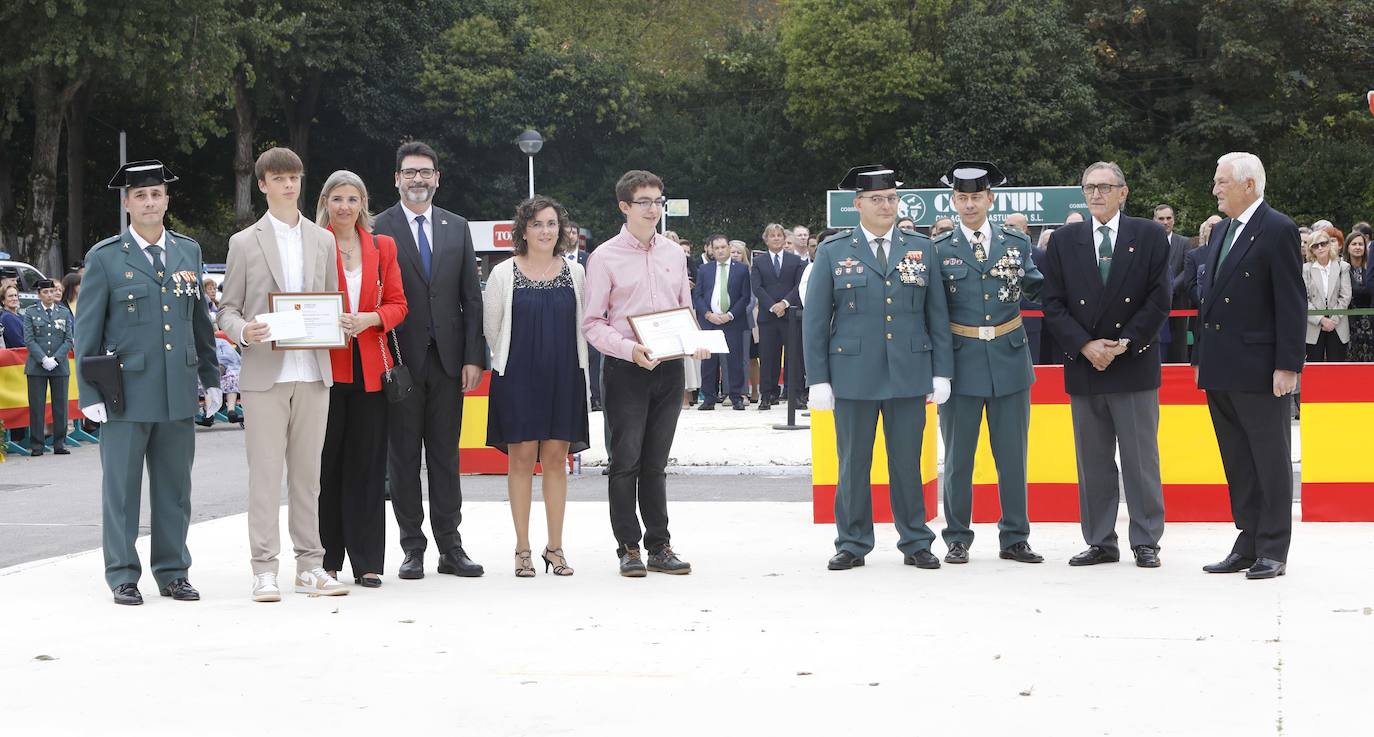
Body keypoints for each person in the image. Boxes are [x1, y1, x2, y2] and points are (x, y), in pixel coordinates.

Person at [75, 159, 221, 605]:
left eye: (156, 194)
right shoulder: (104, 257)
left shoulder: (187, 252)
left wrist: (211, 379)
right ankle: (122, 574)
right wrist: (89, 392)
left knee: (175, 488)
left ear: (166, 200)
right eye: (140, 195)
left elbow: (199, 321)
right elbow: (88, 330)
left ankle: (174, 571)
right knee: (121, 489)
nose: (149, 202)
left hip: (177, 390)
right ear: (127, 203)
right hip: (124, 393)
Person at [804, 164, 953, 571]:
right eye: (876, 199)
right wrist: (818, 379)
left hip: (909, 370)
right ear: (858, 205)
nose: (886, 205)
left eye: (891, 198)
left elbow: (936, 314)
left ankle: (916, 541)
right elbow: (816, 320)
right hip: (853, 374)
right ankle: (852, 542)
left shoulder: (922, 248)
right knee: (853, 463)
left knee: (907, 462)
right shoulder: (834, 250)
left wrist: (942, 371)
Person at [217, 147, 346, 601]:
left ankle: (310, 565)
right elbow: (227, 308)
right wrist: (243, 331)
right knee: (266, 475)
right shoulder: (244, 242)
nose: (289, 184)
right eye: (279, 177)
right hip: (264, 373)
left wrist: (339, 321)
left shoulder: (323, 240)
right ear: (263, 185)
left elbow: (330, 300)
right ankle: (264, 568)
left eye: (295, 176)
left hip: (313, 370)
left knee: (309, 476)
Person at [1041, 162, 1171, 568]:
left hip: (1131, 363)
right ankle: (1100, 540)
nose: (1095, 194)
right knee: (1093, 462)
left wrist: (1124, 342)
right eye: (1089, 187)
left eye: (1104, 187)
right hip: (1085, 365)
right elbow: (1053, 302)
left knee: (1140, 459)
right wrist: (1084, 345)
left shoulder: (1149, 235)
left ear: (1123, 192)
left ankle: (1146, 539)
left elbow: (1159, 298)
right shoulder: (1064, 240)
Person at [371, 141, 487, 581]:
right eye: (409, 172)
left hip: (450, 362)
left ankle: (451, 547)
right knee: (402, 458)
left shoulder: (456, 226)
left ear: (437, 178)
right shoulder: (378, 227)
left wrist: (474, 356)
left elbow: (469, 298)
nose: (417, 179)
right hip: (399, 362)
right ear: (396, 178)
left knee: (445, 457)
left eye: (425, 172)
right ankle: (412, 547)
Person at [582, 169, 707, 577]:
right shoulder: (603, 257)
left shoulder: (674, 253)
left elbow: (684, 310)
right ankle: (628, 547)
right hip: (626, 369)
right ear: (624, 206)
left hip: (668, 368)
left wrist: (694, 342)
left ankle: (659, 544)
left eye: (659, 201)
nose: (654, 209)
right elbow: (592, 323)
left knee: (656, 462)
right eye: (645, 202)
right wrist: (629, 350)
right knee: (625, 462)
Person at [1195, 152, 1304, 580]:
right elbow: (1209, 299)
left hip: (1261, 368)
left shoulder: (1277, 228)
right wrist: (1199, 357)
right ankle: (1248, 539)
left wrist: (1288, 365)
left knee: (1270, 458)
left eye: (1222, 182)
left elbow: (1291, 303)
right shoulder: (1222, 229)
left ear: (1249, 185)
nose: (1216, 189)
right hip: (1221, 366)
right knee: (1238, 459)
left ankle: (1274, 547)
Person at [931, 162, 1045, 565]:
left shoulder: (1016, 243)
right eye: (962, 198)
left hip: (1009, 359)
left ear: (989, 199)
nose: (969, 204)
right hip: (961, 364)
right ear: (953, 201)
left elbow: (1037, 287)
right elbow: (932, 312)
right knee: (959, 458)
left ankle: (1015, 537)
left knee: (1013, 456)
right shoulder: (939, 249)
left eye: (976, 197)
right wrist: (936, 370)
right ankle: (957, 537)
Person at [484, 195, 588, 577]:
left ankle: (555, 548)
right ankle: (523, 549)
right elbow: (491, 329)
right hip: (518, 378)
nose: (545, 231)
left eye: (551, 224)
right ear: (523, 230)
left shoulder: (575, 273)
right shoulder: (503, 273)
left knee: (557, 459)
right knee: (522, 459)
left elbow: (584, 326)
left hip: (565, 375)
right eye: (537, 224)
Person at [316, 170, 409, 588]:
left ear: (363, 204)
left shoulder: (382, 246)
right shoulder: (314, 245)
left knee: (369, 468)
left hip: (372, 371)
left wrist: (371, 318)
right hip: (326, 372)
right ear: (325, 203)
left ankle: (368, 561)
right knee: (327, 468)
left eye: (353, 199)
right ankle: (328, 558)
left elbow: (398, 305)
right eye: (337, 198)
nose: (345, 207)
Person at [693, 234, 750, 410]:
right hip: (710, 321)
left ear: (728, 247)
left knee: (734, 360)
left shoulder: (741, 269)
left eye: (723, 247)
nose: (719, 250)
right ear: (711, 250)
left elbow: (745, 296)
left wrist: (730, 315)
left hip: (732, 321)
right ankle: (709, 398)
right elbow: (698, 295)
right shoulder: (704, 269)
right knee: (709, 361)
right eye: (716, 248)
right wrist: (708, 314)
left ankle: (736, 396)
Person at [750, 222, 804, 410]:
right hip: (768, 317)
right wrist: (772, 306)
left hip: (790, 316)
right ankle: (767, 394)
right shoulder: (758, 262)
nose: (776, 239)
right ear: (766, 239)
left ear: (784, 239)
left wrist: (784, 303)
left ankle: (795, 395)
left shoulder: (796, 261)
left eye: (779, 236)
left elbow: (799, 286)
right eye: (772, 236)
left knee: (794, 357)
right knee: (768, 357)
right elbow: (757, 287)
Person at [22, 278, 75, 455]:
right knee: (37, 405)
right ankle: (37, 444)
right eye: (45, 292)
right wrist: (43, 358)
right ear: (39, 294)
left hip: (59, 365)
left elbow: (69, 339)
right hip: (37, 366)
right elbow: (29, 339)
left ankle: (60, 442)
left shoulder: (63, 311)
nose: (50, 295)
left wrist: (57, 358)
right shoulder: (30, 312)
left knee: (60, 405)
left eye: (52, 291)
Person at [1302, 229, 1351, 362]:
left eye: (1323, 243)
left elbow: (1345, 297)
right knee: (1314, 370)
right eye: (1315, 245)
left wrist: (1332, 321)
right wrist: (1321, 320)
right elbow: (1303, 299)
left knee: (1337, 371)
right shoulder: (1305, 269)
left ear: (1329, 245)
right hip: (1313, 325)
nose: (1320, 247)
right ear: (1311, 250)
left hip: (1338, 325)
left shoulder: (1343, 267)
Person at [1154, 203, 1191, 363]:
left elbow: (1187, 270)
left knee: (1178, 345)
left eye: (1169, 218)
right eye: (1161, 218)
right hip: (1155, 305)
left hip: (1178, 303)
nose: (1165, 222)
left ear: (1174, 220)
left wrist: (1169, 288)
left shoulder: (1184, 242)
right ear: (1154, 220)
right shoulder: (1149, 244)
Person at [730, 239, 761, 402]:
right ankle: (735, 391)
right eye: (732, 251)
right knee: (733, 357)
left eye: (738, 252)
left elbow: (753, 298)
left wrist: (738, 313)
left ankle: (754, 390)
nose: (735, 255)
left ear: (744, 255)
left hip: (748, 321)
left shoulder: (750, 272)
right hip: (729, 321)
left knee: (751, 357)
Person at [1346, 230, 1373, 362]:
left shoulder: (1370, 270)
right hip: (1349, 323)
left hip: (1370, 323)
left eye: (1360, 244)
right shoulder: (1342, 269)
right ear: (1348, 247)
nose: (1357, 247)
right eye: (1354, 244)